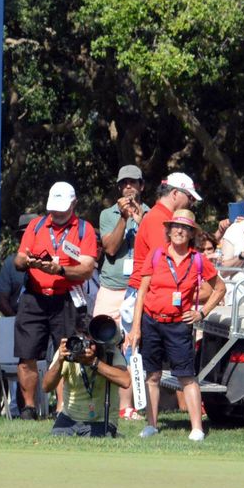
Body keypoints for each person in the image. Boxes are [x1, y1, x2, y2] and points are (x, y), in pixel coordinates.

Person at [125, 209, 224, 440]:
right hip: (151, 321)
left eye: (185, 228)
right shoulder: (156, 255)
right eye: (175, 227)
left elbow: (220, 288)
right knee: (152, 376)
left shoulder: (198, 259)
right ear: (168, 231)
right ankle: (151, 424)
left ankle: (197, 429)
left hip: (179, 324)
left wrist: (201, 313)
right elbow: (142, 292)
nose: (179, 231)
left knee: (186, 376)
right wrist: (136, 328)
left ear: (191, 234)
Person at [12, 181, 98, 418]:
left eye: (62, 207)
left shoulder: (84, 229)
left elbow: (87, 269)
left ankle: (63, 409)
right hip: (34, 297)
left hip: (67, 299)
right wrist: (28, 262)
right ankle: (28, 408)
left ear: (74, 203)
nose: (57, 213)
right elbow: (18, 259)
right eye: (54, 208)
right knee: (26, 354)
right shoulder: (37, 225)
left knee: (67, 353)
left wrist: (59, 270)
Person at [94, 166, 148, 419]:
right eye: (124, 183)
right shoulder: (108, 214)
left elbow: (155, 246)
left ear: (141, 186)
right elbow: (111, 248)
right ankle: (99, 400)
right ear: (119, 188)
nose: (129, 187)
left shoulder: (150, 214)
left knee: (131, 347)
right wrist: (124, 218)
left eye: (133, 183)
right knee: (103, 341)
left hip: (138, 288)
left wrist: (138, 219)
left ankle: (128, 406)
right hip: (111, 288)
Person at [43, 326, 130, 437]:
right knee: (56, 440)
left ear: (99, 343)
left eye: (90, 343)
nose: (84, 348)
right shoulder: (68, 349)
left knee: (95, 442)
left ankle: (114, 433)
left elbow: (125, 381)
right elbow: (46, 387)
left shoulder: (110, 352)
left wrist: (94, 363)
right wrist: (59, 361)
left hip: (102, 419)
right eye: (81, 341)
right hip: (69, 417)